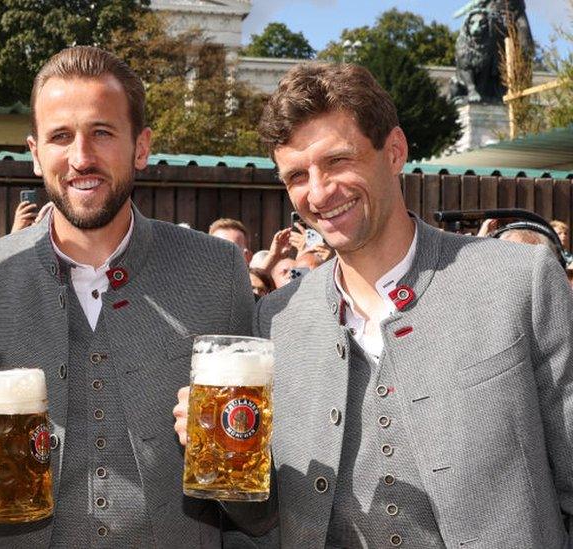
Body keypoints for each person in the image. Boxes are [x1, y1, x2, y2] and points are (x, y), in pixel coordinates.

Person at [176, 62, 573, 547]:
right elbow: (267, 523)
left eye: (338, 161)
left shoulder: (517, 282)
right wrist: (226, 455)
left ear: (395, 152)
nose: (319, 192)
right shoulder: (277, 320)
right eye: (297, 175)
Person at [0, 46, 259, 547]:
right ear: (35, 154)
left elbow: (247, 471)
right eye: (61, 136)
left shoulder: (217, 270)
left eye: (102, 132)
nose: (81, 157)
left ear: (140, 147)